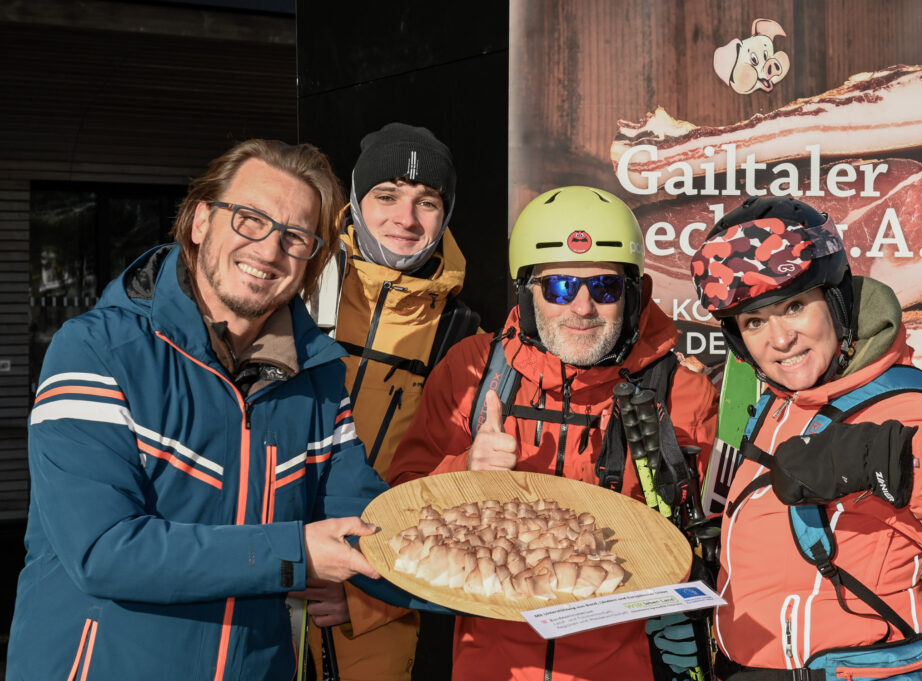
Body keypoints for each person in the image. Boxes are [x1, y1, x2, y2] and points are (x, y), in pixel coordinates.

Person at [7, 139, 439, 681]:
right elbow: (103, 551)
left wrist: (515, 577)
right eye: (250, 219)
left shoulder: (318, 380)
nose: (269, 250)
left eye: (296, 237)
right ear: (199, 221)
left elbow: (376, 530)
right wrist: (295, 552)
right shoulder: (98, 351)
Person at [681, 195, 922, 678]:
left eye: (794, 306)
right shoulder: (783, 402)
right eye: (754, 321)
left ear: (836, 300)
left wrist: (898, 459)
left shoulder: (910, 411)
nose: (779, 340)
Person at [386, 185, 719, 681]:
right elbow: (398, 511)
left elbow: (721, 538)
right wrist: (465, 470)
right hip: (492, 667)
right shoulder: (473, 372)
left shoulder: (682, 394)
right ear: (526, 291)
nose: (582, 308)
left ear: (634, 293)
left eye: (605, 287)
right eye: (559, 287)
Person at [304, 122, 479, 681]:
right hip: (268, 578)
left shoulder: (463, 336)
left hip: (375, 598)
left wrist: (369, 600)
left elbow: (445, 501)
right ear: (356, 199)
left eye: (427, 201)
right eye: (386, 195)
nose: (406, 218)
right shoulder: (297, 284)